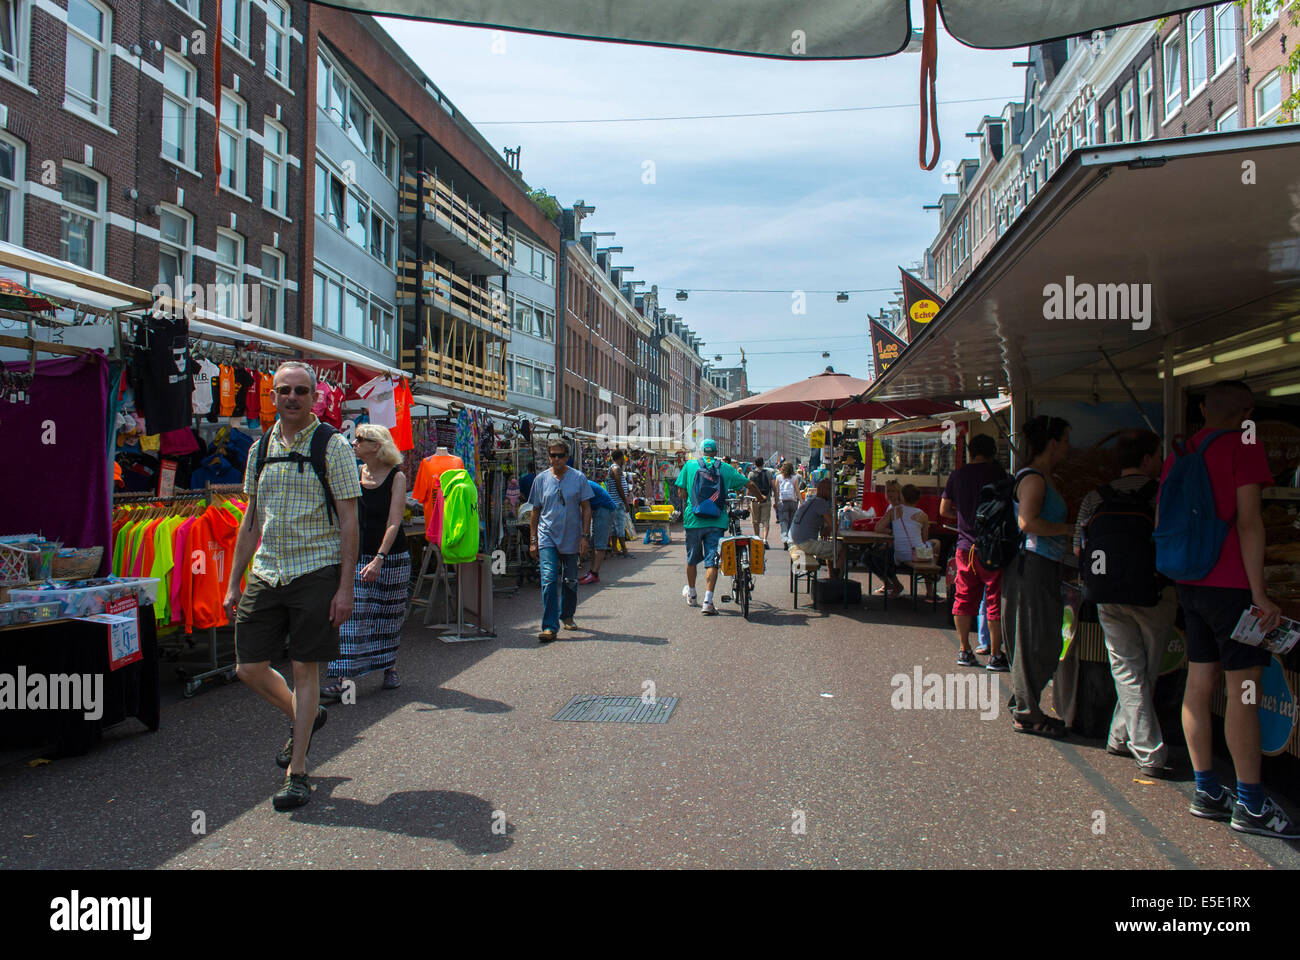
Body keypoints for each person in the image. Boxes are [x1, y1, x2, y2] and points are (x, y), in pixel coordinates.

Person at [1162, 381, 1299, 836]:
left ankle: (1206, 789)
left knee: (1200, 683)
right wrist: (1260, 593)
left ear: (1202, 408)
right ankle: (1253, 803)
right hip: (1233, 588)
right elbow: (1249, 520)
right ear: (1247, 411)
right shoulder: (1245, 442)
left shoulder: (1181, 449)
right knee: (1245, 692)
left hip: (1190, 582)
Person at [223, 361, 361, 811]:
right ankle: (306, 717)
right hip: (267, 570)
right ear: (273, 395)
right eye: (284, 390)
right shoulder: (259, 448)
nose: (292, 397)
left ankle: (296, 772)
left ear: (314, 395)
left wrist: (345, 588)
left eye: (301, 390)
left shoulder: (333, 446)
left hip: (315, 572)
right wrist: (233, 582)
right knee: (248, 666)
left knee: (306, 670)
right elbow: (250, 520)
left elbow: (348, 521)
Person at [1074, 429, 1174, 776]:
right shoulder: (1161, 494)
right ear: (1147, 459)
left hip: (1106, 595)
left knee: (1127, 669)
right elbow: (1171, 543)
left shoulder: (1094, 497)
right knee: (1146, 669)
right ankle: (1150, 753)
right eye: (1158, 455)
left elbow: (1079, 548)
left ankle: (1119, 737)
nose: (1161, 462)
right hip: (1153, 593)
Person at [321, 424, 409, 701]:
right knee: (351, 616)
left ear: (377, 445)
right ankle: (342, 679)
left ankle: (389, 667)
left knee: (388, 615)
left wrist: (380, 558)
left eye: (361, 439)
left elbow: (394, 522)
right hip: (358, 555)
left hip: (391, 557)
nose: (354, 443)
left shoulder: (397, 477)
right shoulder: (355, 474)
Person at [1004, 415, 1073, 738]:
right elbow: (1027, 522)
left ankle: (1024, 700)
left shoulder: (1045, 476)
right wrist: (1069, 530)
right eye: (1066, 440)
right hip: (1032, 566)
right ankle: (1027, 712)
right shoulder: (1034, 479)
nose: (1069, 447)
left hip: (1043, 565)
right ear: (1053, 443)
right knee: (1035, 638)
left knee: (1043, 638)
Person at [941, 433, 1008, 670]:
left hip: (965, 547)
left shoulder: (957, 475)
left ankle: (964, 650)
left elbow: (944, 510)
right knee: (994, 601)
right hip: (993, 547)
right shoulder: (999, 475)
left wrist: (963, 519)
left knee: (963, 599)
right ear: (992, 452)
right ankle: (996, 654)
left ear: (970, 451)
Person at [529, 439, 592, 642]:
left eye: (559, 455)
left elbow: (586, 508)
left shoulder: (579, 478)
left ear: (567, 457)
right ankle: (549, 626)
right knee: (548, 578)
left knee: (570, 579)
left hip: (572, 537)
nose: (555, 459)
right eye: (552, 455)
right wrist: (533, 539)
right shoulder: (541, 479)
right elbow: (535, 510)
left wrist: (584, 536)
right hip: (547, 535)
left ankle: (567, 614)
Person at [676, 438, 749, 614]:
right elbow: (747, 483)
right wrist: (760, 498)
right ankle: (708, 602)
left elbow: (680, 492)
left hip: (693, 520)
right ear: (716, 453)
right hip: (716, 521)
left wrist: (691, 501)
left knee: (691, 558)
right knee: (712, 561)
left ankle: (692, 595)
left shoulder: (690, 466)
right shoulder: (725, 468)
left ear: (700, 452)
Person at [789, 478, 848, 577]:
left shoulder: (811, 500)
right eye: (830, 490)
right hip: (806, 543)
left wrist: (827, 528)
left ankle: (832, 577)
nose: (832, 493)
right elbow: (835, 527)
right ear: (824, 491)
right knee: (842, 548)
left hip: (795, 540)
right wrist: (834, 505)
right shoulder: (821, 503)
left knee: (830, 546)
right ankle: (836, 580)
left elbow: (827, 527)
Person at [866, 480, 905, 597]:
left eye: (893, 491)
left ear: (899, 493)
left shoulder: (900, 508)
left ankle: (897, 584)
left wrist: (889, 532)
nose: (890, 494)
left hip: (900, 545)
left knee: (878, 556)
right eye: (888, 491)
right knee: (866, 557)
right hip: (891, 542)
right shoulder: (890, 507)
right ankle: (887, 583)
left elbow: (881, 528)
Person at [579, 478, 616, 585]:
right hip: (601, 508)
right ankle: (592, 572)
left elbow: (586, 510)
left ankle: (594, 573)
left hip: (604, 509)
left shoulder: (579, 484)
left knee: (599, 543)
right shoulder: (580, 482)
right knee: (595, 542)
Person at [607, 449, 633, 556]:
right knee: (620, 526)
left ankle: (614, 548)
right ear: (620, 458)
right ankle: (624, 550)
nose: (624, 460)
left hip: (614, 502)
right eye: (623, 458)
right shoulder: (616, 469)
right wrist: (625, 502)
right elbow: (619, 486)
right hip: (618, 502)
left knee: (614, 527)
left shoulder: (613, 468)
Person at [746, 456, 776, 547]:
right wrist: (776, 499)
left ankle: (757, 539)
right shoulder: (769, 473)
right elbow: (774, 487)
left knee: (755, 521)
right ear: (763, 464)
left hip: (754, 500)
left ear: (755, 464)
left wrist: (747, 502)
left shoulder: (751, 474)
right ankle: (764, 539)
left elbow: (748, 488)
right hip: (766, 499)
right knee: (766, 521)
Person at [775, 462, 802, 547]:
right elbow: (797, 491)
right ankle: (791, 540)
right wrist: (801, 501)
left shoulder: (778, 477)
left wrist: (776, 502)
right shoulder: (795, 477)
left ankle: (785, 539)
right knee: (791, 522)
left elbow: (776, 491)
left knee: (783, 522)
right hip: (793, 502)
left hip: (782, 502)